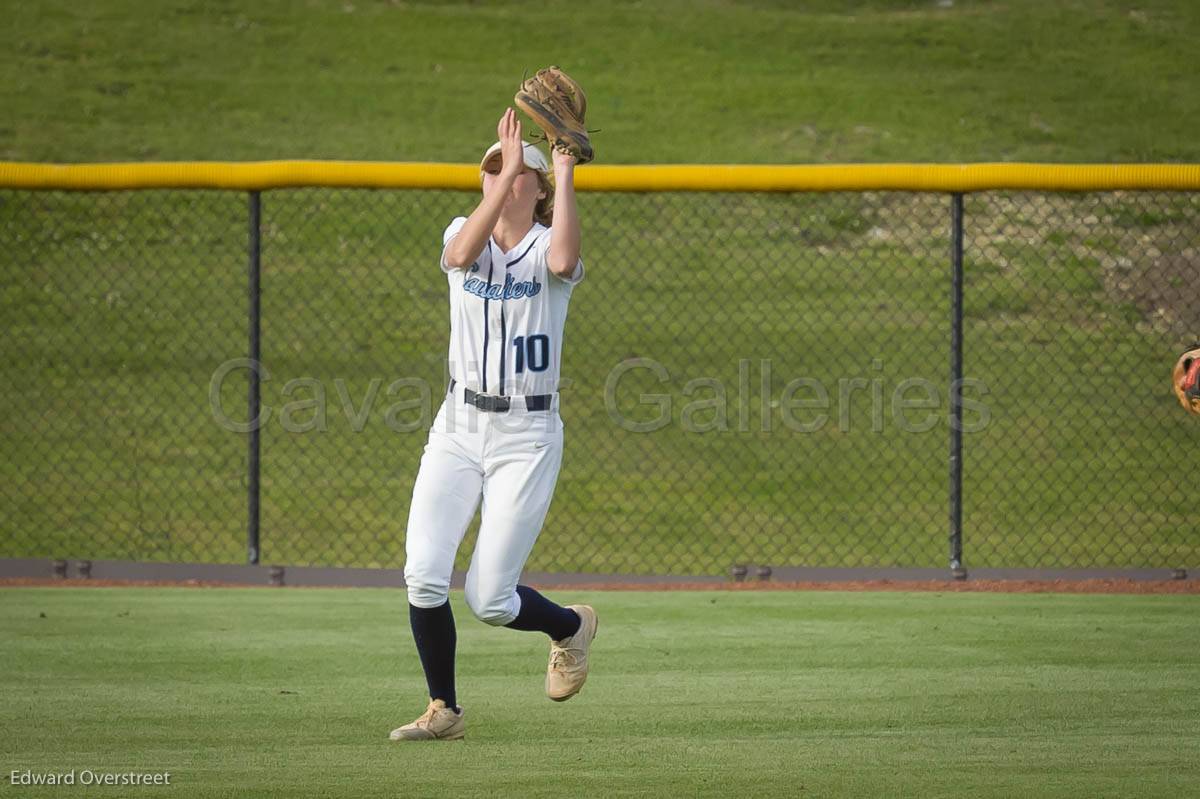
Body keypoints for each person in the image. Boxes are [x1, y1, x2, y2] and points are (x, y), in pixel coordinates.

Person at [390, 108, 597, 742]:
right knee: (424, 574)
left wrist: (561, 168)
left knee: (488, 600)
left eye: (513, 173)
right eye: (490, 171)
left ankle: (569, 627)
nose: (500, 179)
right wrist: (512, 168)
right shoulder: (463, 233)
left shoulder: (547, 247)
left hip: (526, 437)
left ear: (536, 191)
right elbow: (458, 254)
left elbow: (563, 263)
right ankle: (443, 709)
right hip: (458, 425)